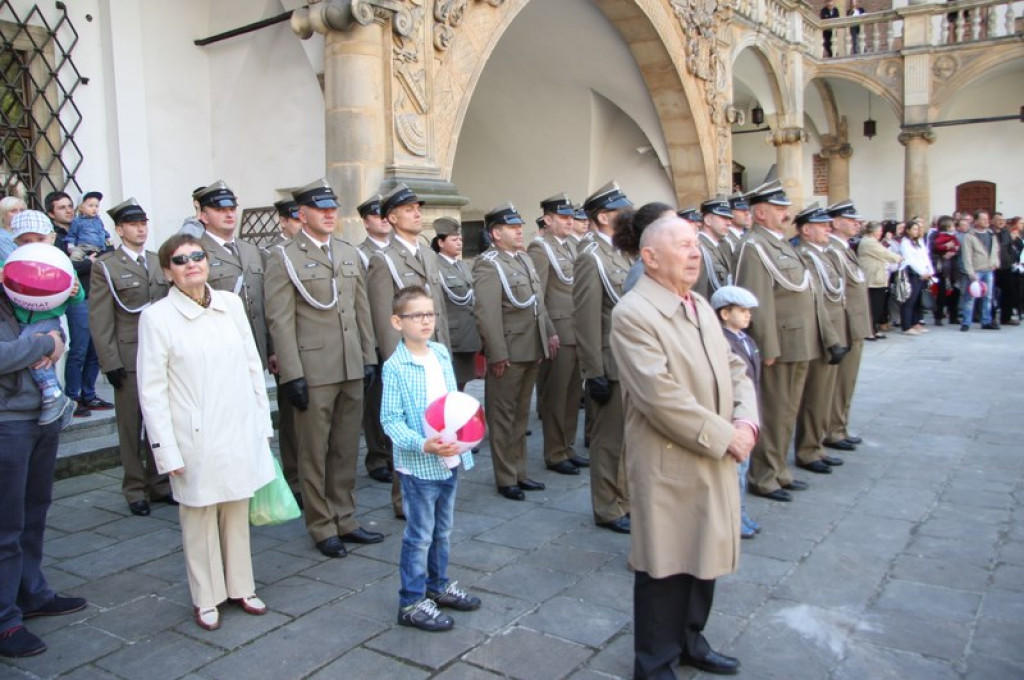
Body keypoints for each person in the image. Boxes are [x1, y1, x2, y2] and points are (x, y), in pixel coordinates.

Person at [610, 215, 758, 679]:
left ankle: (692, 641)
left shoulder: (696, 303)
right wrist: (726, 436)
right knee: (665, 566)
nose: (695, 253)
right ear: (650, 258)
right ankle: (654, 663)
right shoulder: (633, 313)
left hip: (714, 450)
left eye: (696, 245)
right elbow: (659, 396)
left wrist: (747, 419)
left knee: (704, 555)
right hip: (672, 459)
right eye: (683, 246)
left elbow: (735, 368)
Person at [137, 233, 275, 632]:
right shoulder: (157, 318)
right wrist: (166, 450)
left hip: (237, 427)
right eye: (180, 260)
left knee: (236, 508)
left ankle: (242, 587)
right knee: (198, 517)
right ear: (168, 271)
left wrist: (261, 423)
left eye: (197, 256)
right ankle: (206, 596)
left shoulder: (230, 304)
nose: (192, 263)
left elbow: (252, 366)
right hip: (192, 434)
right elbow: (152, 391)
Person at [264, 179, 380, 558]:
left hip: (349, 365)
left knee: (346, 448)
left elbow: (361, 310)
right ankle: (320, 525)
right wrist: (292, 374)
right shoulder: (284, 257)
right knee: (314, 451)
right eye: (321, 209)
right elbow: (281, 320)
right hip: (313, 368)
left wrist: (368, 357)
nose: (331, 214)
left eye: (333, 208)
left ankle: (345, 517)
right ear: (302, 214)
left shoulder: (347, 252)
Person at [380, 286, 481, 632]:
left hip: (449, 458)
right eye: (416, 315)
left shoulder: (439, 353)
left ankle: (437, 587)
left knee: (443, 530)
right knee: (420, 535)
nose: (426, 321)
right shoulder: (395, 367)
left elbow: (453, 401)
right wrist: (424, 444)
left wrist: (464, 435)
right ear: (397, 322)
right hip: (420, 464)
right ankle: (410, 601)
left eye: (430, 314)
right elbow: (390, 420)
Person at [1, 278, 87, 659]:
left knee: (34, 512)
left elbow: (59, 331)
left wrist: (55, 340)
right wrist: (44, 344)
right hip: (7, 422)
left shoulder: (23, 287)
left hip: (42, 417)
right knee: (6, 524)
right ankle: (5, 621)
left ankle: (31, 592)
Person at [366, 184, 452, 515]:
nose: (417, 213)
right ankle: (404, 498)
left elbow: (438, 307)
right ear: (391, 217)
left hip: (433, 352)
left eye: (418, 208)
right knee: (409, 426)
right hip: (406, 358)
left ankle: (435, 480)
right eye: (409, 209)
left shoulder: (428, 254)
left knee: (436, 422)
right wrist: (395, 364)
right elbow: (384, 318)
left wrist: (441, 349)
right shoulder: (383, 260)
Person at [734, 180, 818, 502]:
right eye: (778, 208)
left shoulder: (779, 244)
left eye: (785, 208)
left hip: (798, 340)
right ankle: (765, 475)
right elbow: (756, 300)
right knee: (773, 410)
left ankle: (780, 468)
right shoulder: (754, 246)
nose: (785, 213)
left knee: (788, 410)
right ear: (760, 212)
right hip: (779, 343)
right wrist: (765, 345)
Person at [89, 198, 173, 516]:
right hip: (129, 355)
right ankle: (134, 487)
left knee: (158, 421)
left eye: (144, 223)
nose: (141, 228)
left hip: (159, 355)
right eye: (133, 224)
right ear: (120, 229)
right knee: (130, 425)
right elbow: (100, 317)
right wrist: (109, 361)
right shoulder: (106, 266)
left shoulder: (157, 261)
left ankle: (159, 482)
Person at [473, 203, 556, 501]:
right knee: (503, 416)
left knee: (522, 415)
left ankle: (520, 471)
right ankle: (505, 476)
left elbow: (538, 303)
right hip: (508, 351)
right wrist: (496, 353)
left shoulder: (523, 260)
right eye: (511, 227)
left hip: (530, 347)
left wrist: (548, 334)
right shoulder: (488, 263)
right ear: (496, 233)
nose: (519, 230)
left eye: (519, 225)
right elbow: (487, 313)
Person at [575, 199, 647, 534]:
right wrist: (593, 372)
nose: (629, 216)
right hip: (608, 362)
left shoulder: (626, 253)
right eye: (621, 211)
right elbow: (587, 318)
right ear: (603, 217)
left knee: (630, 440)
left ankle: (625, 498)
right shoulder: (592, 257)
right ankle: (607, 506)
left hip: (630, 361)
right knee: (609, 441)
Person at [1, 211, 81, 428]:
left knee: (34, 351)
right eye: (26, 241)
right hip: (23, 322)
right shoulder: (13, 263)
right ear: (15, 241)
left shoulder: (58, 263)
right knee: (35, 351)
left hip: (47, 320)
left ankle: (53, 394)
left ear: (52, 237)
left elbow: (77, 299)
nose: (33, 245)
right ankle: (57, 396)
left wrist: (75, 290)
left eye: (39, 239)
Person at [527, 193, 587, 476]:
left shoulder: (574, 245)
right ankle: (554, 451)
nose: (569, 222)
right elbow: (537, 295)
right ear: (548, 220)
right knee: (557, 395)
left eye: (571, 217)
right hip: (559, 331)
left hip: (577, 330)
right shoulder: (540, 249)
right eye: (563, 218)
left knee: (574, 395)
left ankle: (568, 446)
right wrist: (547, 331)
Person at [792, 204, 847, 474]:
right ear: (805, 230)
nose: (829, 228)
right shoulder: (806, 255)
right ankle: (808, 448)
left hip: (830, 329)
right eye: (822, 225)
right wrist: (831, 337)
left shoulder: (821, 254)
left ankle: (816, 445)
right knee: (815, 395)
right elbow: (816, 300)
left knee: (824, 394)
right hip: (820, 332)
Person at [195, 180, 272, 370]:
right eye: (220, 210)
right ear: (204, 216)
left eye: (232, 208)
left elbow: (264, 301)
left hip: (255, 346)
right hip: (219, 349)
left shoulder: (251, 250)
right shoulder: (196, 252)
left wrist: (271, 348)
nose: (229, 214)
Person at [710, 285, 762, 540]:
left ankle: (740, 513)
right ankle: (732, 517)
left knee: (742, 470)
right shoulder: (721, 341)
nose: (747, 316)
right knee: (733, 473)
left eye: (748, 311)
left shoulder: (747, 340)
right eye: (742, 311)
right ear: (724, 314)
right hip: (730, 415)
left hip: (745, 413)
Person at [824, 200, 872, 452]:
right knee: (840, 383)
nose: (856, 223)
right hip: (845, 326)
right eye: (850, 219)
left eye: (856, 220)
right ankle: (833, 429)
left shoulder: (845, 249)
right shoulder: (832, 250)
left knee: (848, 382)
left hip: (854, 325)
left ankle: (839, 426)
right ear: (834, 222)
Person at [355, 193, 394, 485]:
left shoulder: (401, 249)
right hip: (376, 336)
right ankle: (378, 455)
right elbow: (363, 302)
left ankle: (397, 450)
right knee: (377, 400)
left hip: (403, 335)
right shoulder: (359, 253)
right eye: (376, 214)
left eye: (385, 213)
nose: (382, 219)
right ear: (366, 222)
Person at [265, 199, 302, 502]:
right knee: (291, 420)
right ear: (283, 221)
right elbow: (271, 309)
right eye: (294, 217)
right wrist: (273, 349)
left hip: (317, 350)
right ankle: (295, 477)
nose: (300, 222)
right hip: (286, 348)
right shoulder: (272, 254)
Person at [431, 217, 481, 390]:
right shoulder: (435, 266)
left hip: (468, 335)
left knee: (462, 383)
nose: (459, 243)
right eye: (454, 239)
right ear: (441, 242)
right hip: (453, 337)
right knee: (450, 384)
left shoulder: (462, 266)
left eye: (460, 239)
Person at [858, 221, 902, 339]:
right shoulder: (868, 242)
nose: (881, 233)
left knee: (878, 306)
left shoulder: (872, 242)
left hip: (878, 277)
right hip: (872, 278)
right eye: (879, 231)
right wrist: (899, 258)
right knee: (873, 306)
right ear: (873, 231)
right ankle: (869, 330)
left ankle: (874, 329)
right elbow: (884, 253)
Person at [959, 210, 1000, 331]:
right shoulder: (969, 236)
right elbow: (966, 256)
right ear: (976, 221)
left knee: (988, 297)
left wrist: (996, 262)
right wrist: (970, 273)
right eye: (983, 219)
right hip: (976, 270)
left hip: (989, 269)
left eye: (987, 219)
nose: (986, 221)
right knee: (970, 297)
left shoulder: (991, 235)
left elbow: (996, 250)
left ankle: (986, 321)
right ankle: (966, 322)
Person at [898, 220, 935, 335]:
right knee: (909, 300)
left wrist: (929, 271)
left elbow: (925, 257)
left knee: (919, 300)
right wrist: (921, 272)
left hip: (923, 274)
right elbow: (910, 260)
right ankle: (906, 326)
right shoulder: (905, 243)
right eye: (914, 229)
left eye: (918, 229)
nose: (916, 231)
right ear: (908, 230)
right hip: (912, 273)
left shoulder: (919, 241)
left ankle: (916, 322)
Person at [693, 196, 733, 299]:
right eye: (723, 218)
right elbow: (698, 290)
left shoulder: (725, 245)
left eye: (729, 218)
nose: (729, 223)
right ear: (708, 220)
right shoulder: (698, 248)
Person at [930, 216, 961, 326]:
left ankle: (954, 316)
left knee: (955, 292)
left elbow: (958, 247)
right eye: (952, 225)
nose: (954, 228)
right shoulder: (936, 236)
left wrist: (953, 252)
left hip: (953, 268)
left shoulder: (954, 236)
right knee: (941, 293)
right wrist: (945, 249)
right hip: (942, 268)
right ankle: (938, 316)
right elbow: (933, 249)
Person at [66, 192, 113, 261]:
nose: (94, 209)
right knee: (75, 256)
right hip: (83, 247)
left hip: (99, 248)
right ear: (81, 208)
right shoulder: (77, 221)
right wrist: (70, 245)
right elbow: (72, 234)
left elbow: (102, 231)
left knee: (111, 257)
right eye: (90, 206)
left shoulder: (98, 220)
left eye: (96, 206)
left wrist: (108, 238)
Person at [0, 195, 26, 262]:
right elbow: (12, 261)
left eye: (22, 210)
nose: (19, 213)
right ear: (3, 214)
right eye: (13, 211)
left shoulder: (25, 233)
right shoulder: (2, 237)